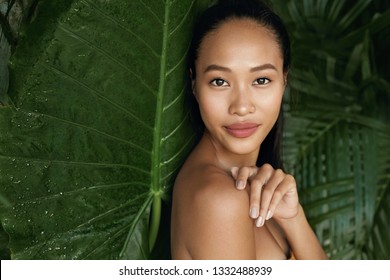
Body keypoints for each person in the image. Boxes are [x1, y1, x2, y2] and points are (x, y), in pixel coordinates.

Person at [170, 0, 327, 260]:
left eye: (261, 80)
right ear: (194, 83)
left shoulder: (259, 187)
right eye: (219, 81)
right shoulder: (219, 200)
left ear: (284, 80)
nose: (242, 107)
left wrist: (294, 218)